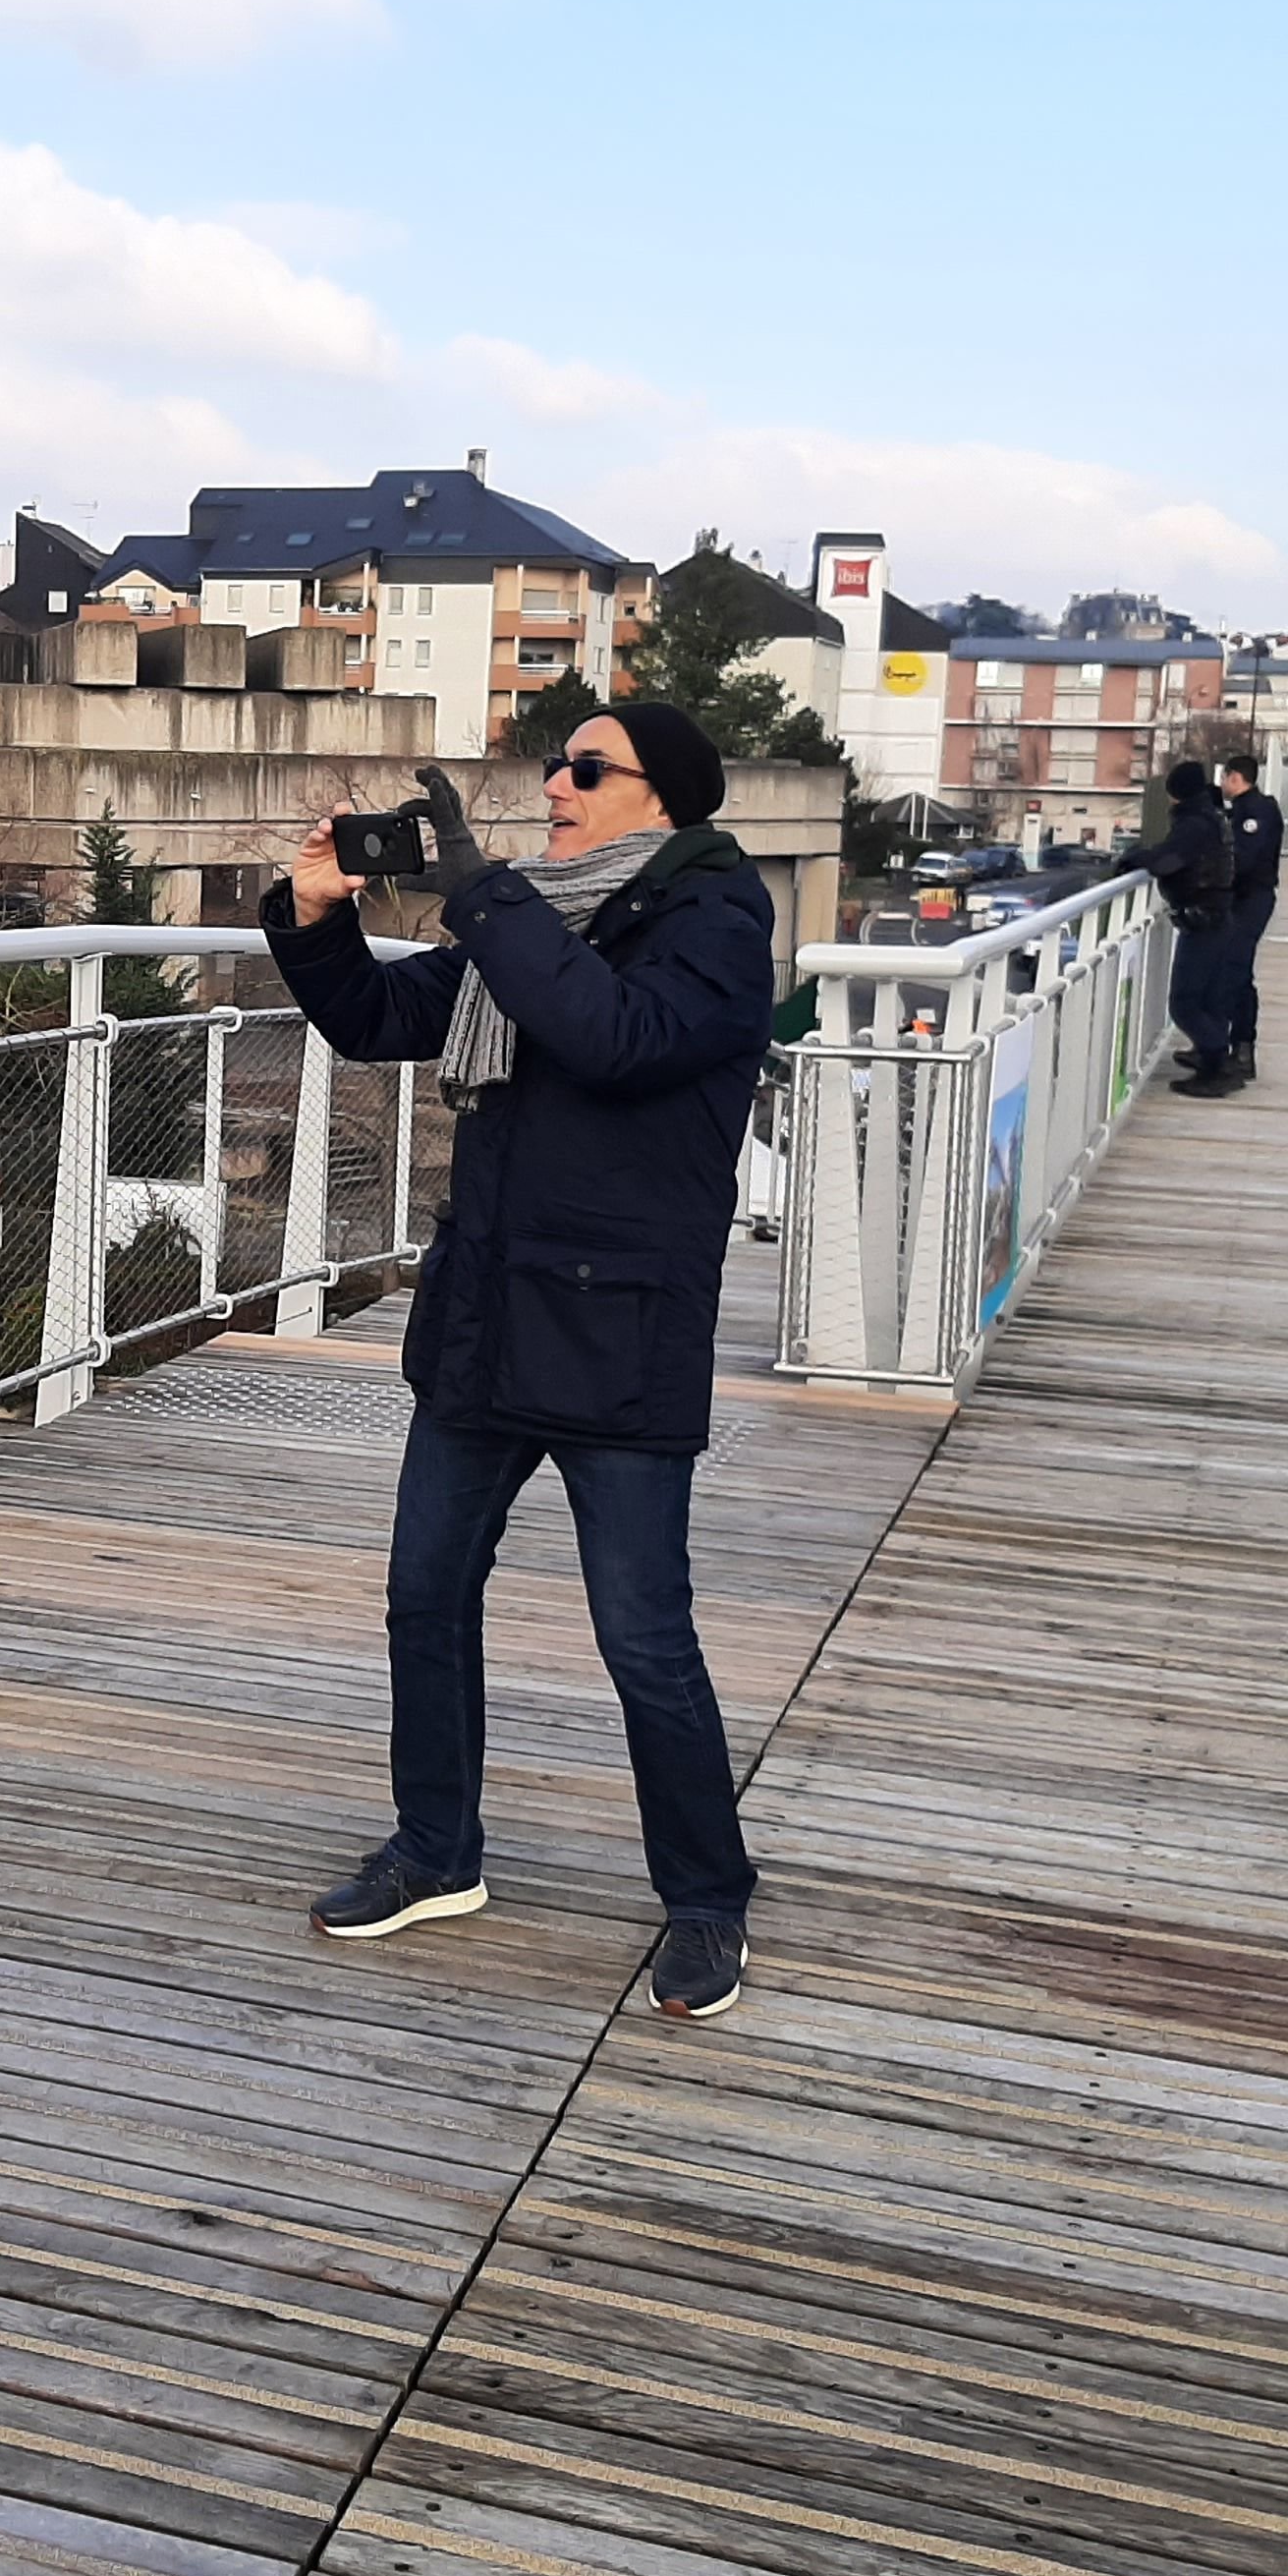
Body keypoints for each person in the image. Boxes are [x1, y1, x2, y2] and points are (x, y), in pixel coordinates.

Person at [262, 701, 776, 2022]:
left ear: (663, 801)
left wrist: (487, 897)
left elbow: (615, 1040)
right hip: (487, 1318)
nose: (556, 781)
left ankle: (708, 1900)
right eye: (554, 762)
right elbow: (377, 1017)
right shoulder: (534, 923)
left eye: (586, 768)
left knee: (643, 1638)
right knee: (423, 1595)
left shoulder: (715, 929)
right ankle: (437, 1851)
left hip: (619, 1338)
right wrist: (316, 914)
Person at [1114, 758, 1243, 1097]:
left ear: (1177, 793)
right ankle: (1215, 1058)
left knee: (1184, 1003)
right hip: (1219, 917)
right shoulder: (1213, 818)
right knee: (1209, 999)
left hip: (1203, 920)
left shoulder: (1193, 825)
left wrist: (1133, 858)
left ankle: (1215, 1066)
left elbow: (1167, 861)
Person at [1216, 752, 1285, 1084]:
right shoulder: (1250, 810)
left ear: (1234, 777)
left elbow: (1244, 859)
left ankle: (1240, 1049)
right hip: (1244, 899)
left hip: (1250, 899)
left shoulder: (1253, 813)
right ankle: (1226, 1045)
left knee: (1236, 969)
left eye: (1223, 777)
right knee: (1230, 968)